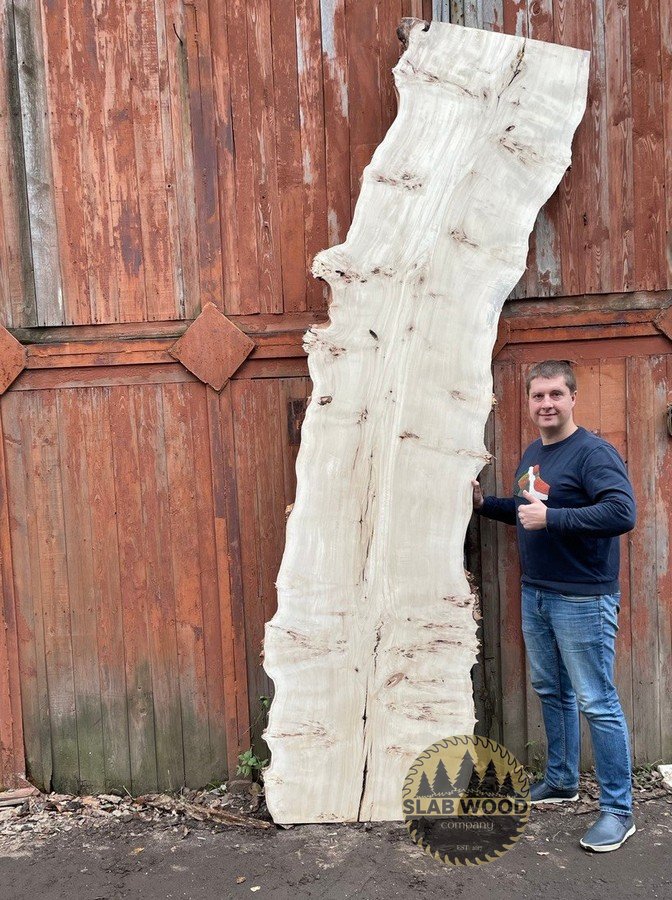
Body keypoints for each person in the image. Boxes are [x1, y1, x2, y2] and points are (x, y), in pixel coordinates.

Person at [472, 359, 636, 853]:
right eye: (538, 396)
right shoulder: (534, 453)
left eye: (555, 395)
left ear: (572, 398)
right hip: (537, 592)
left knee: (597, 701)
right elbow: (531, 512)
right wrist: (486, 505)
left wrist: (555, 519)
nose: (546, 404)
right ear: (528, 402)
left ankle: (618, 811)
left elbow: (622, 511)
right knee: (552, 690)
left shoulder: (593, 453)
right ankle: (562, 781)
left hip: (583, 597)